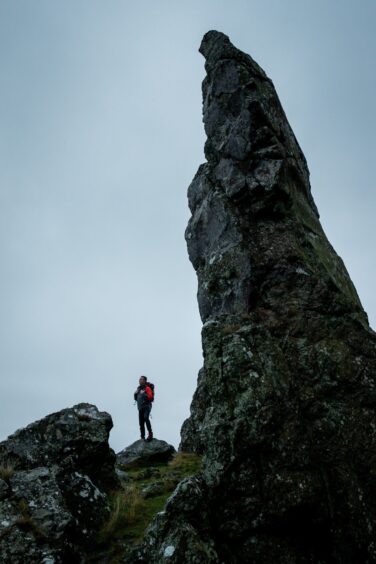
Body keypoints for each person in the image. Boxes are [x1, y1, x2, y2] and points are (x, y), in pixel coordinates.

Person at [134, 375, 153, 441]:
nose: (140, 380)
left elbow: (150, 397)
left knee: (146, 418)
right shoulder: (138, 389)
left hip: (147, 406)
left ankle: (150, 434)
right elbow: (136, 399)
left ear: (145, 381)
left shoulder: (147, 388)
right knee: (141, 422)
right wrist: (135, 394)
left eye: (142, 379)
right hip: (140, 408)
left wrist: (144, 394)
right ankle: (142, 437)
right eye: (139, 379)